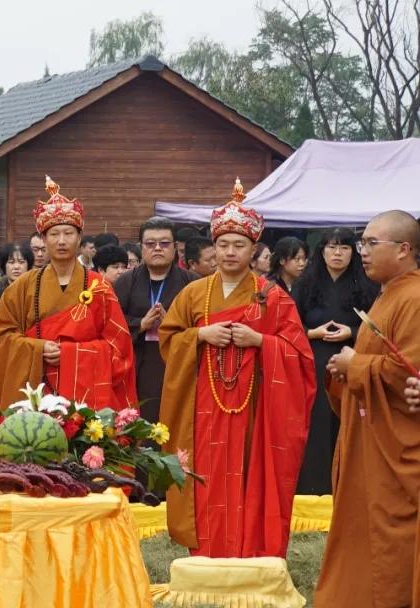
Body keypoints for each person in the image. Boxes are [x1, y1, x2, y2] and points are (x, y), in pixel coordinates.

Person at [157, 179, 315, 558]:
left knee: (248, 475)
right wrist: (200, 334)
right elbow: (169, 338)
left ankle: (250, 551)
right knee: (206, 474)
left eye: (238, 245)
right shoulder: (194, 293)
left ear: (254, 249)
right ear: (214, 248)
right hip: (203, 407)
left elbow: (300, 355)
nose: (229, 252)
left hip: (254, 410)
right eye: (223, 245)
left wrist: (261, 342)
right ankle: (206, 553)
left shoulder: (272, 295)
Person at [317, 211, 420, 607]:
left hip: (395, 445)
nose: (362, 252)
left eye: (371, 243)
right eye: (363, 243)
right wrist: (346, 369)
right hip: (370, 435)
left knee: (391, 531)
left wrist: (354, 365)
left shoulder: (412, 298)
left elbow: (407, 374)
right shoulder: (389, 293)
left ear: (404, 249)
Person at [0, 176, 136, 410]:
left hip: (88, 401)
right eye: (54, 234)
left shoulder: (100, 287)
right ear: (43, 240)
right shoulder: (23, 287)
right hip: (37, 393)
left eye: (68, 233)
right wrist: (37, 350)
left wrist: (70, 355)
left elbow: (119, 347)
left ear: (79, 238)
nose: (61, 241)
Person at [291, 228, 378, 496]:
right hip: (313, 358)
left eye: (344, 248)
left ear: (354, 253)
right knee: (316, 421)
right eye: (331, 247)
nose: (337, 253)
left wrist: (351, 332)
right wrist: (312, 333)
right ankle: (314, 485)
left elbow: (375, 324)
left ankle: (349, 487)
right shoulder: (306, 283)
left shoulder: (367, 283)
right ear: (322, 251)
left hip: (352, 357)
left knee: (348, 419)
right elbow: (289, 323)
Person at [112, 216, 198, 424]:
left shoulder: (192, 283)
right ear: (142, 247)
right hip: (138, 360)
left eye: (164, 243)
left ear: (176, 247)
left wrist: (172, 325)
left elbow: (202, 325)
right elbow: (111, 323)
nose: (157, 248)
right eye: (150, 244)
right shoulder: (125, 282)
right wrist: (140, 324)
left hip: (176, 362)